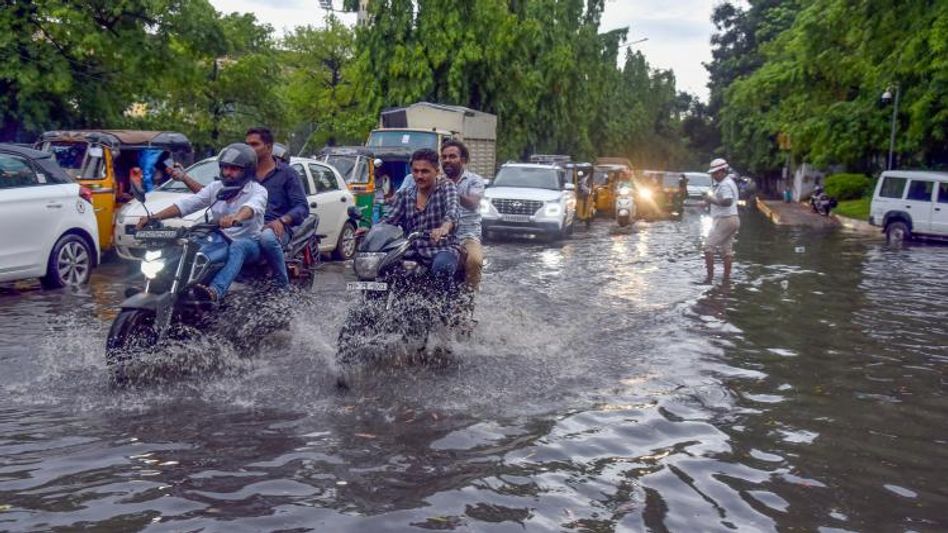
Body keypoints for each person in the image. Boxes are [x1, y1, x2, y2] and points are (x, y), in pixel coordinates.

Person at [135, 143, 267, 302]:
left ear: (247, 171)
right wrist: (154, 217)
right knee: (187, 244)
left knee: (238, 247)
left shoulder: (258, 190)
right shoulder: (216, 187)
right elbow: (188, 204)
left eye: (234, 169)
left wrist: (236, 218)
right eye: (224, 168)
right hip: (220, 237)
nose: (227, 173)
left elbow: (251, 207)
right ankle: (163, 285)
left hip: (249, 242)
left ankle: (215, 291)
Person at [245, 127, 310, 290]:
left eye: (255, 144)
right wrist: (183, 178)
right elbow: (213, 193)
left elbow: (302, 207)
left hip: (276, 229)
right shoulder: (243, 174)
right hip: (246, 226)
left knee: (267, 238)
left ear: (268, 147)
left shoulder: (288, 174)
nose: (250, 149)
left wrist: (282, 220)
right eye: (247, 145)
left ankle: (283, 287)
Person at [383, 148, 460, 286]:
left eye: (425, 171)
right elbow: (389, 220)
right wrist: (371, 231)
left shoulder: (447, 187)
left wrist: (444, 228)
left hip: (441, 248)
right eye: (415, 171)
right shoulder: (405, 194)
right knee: (383, 270)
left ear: (436, 171)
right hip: (410, 251)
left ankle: (443, 305)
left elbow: (452, 212)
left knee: (442, 267)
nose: (419, 176)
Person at [438, 140, 485, 290]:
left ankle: (468, 299)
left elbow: (473, 203)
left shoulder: (474, 180)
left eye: (452, 156)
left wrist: (450, 189)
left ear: (462, 160)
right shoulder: (435, 180)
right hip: (441, 234)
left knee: (475, 260)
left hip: (467, 235)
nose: (447, 160)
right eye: (444, 157)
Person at [700, 157, 740, 284]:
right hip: (733, 219)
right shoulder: (729, 182)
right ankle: (726, 279)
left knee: (708, 247)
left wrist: (711, 200)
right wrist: (707, 201)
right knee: (726, 250)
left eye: (716, 173)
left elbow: (727, 201)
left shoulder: (725, 184)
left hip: (724, 219)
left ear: (723, 171)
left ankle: (709, 278)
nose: (714, 176)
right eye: (713, 174)